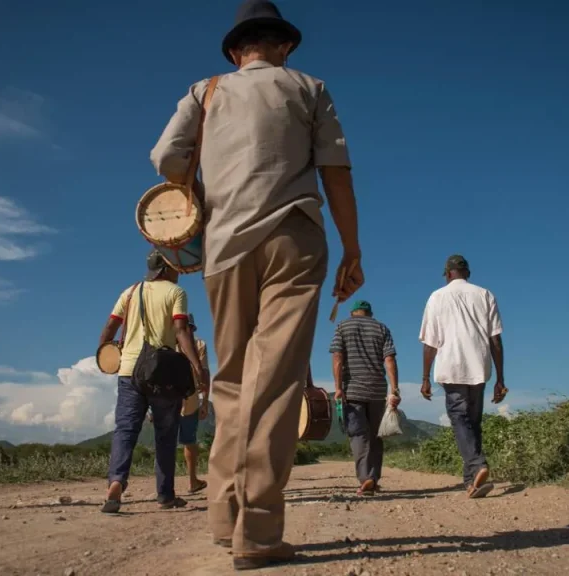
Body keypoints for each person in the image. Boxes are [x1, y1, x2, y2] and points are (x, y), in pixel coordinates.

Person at [149, 0, 363, 569]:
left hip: (223, 249)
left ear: (234, 50)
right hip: (294, 238)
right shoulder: (309, 87)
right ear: (284, 45)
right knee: (276, 383)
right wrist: (353, 248)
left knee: (233, 380)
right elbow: (335, 170)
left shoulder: (206, 91)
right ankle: (260, 535)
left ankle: (224, 519)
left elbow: (166, 158)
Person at [97, 250, 206, 514]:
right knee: (165, 436)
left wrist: (103, 353)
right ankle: (165, 495)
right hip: (162, 371)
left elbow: (111, 327)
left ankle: (116, 483)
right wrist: (196, 364)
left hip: (129, 370)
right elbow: (181, 330)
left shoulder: (130, 291)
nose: (178, 272)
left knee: (125, 429)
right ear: (167, 268)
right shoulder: (175, 293)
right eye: (176, 268)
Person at [418, 255, 506, 499]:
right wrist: (500, 378)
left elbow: (429, 343)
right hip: (479, 366)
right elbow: (495, 340)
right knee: (473, 422)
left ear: (448, 274)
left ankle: (478, 465)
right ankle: (472, 482)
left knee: (459, 418)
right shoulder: (485, 294)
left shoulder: (437, 297)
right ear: (468, 272)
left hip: (452, 365)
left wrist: (425, 377)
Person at [329, 300, 399, 496]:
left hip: (353, 390)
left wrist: (338, 387)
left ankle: (365, 478)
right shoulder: (381, 327)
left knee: (358, 435)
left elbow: (337, 357)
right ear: (370, 313)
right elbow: (390, 359)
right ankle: (373, 479)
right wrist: (394, 390)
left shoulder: (342, 326)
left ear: (353, 313)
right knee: (376, 436)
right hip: (377, 390)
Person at [177, 313, 211, 494]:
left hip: (168, 400)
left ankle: (165, 486)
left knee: (166, 441)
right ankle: (192, 481)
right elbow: (205, 374)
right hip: (190, 400)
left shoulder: (166, 343)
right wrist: (204, 401)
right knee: (189, 442)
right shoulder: (199, 345)